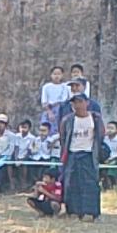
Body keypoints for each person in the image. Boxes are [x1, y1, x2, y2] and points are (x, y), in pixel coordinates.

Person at [59, 92, 104, 221]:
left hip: (89, 154)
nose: (77, 105)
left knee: (91, 184)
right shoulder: (67, 120)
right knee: (71, 184)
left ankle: (92, 212)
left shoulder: (95, 118)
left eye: (80, 102)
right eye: (74, 103)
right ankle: (73, 211)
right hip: (72, 154)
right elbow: (63, 137)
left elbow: (100, 135)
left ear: (87, 103)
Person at [39, 65, 69, 135]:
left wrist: (56, 105)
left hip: (60, 110)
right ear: (51, 75)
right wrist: (49, 112)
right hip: (48, 109)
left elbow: (63, 100)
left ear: (62, 75)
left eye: (59, 74)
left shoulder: (65, 86)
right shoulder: (46, 87)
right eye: (54, 74)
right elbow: (44, 101)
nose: (56, 76)